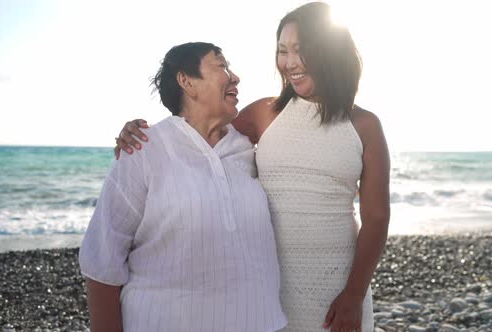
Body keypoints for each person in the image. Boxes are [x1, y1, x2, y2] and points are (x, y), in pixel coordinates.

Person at [114, 3, 390, 331]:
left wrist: (354, 295)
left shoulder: (364, 125)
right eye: (282, 51)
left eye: (300, 51)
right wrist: (142, 135)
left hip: (340, 292)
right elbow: (198, 138)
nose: (289, 63)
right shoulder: (264, 113)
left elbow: (376, 217)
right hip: (266, 293)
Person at [79, 42, 287, 332]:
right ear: (186, 81)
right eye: (221, 66)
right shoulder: (142, 149)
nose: (235, 77)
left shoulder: (246, 146)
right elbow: (102, 262)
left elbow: (309, 107)